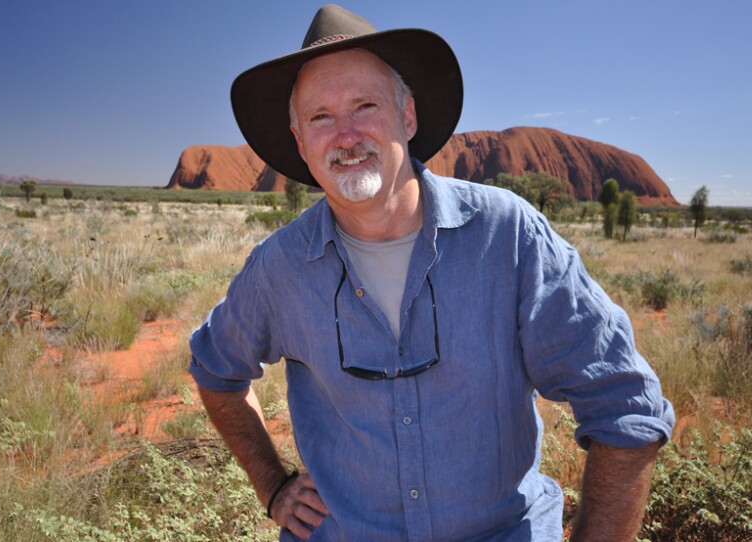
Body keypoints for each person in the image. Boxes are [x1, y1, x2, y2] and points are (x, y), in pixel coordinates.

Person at [190, 5, 675, 541]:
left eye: (365, 105)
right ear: (301, 141)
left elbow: (624, 404)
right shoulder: (279, 266)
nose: (345, 135)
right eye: (321, 117)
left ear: (409, 117)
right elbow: (216, 369)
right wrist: (273, 484)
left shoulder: (506, 236)